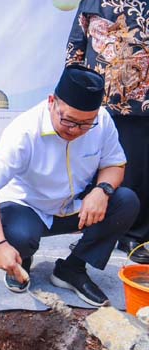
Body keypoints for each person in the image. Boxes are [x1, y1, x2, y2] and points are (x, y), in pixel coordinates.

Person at [0, 65, 139, 306]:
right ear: (52, 101)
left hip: (73, 207)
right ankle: (21, 258)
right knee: (19, 236)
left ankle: (72, 268)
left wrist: (101, 190)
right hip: (28, 207)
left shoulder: (101, 121)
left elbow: (115, 165)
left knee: (125, 202)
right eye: (69, 121)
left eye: (86, 124)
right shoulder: (24, 131)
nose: (76, 131)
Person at [66, 0, 149, 264]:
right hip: (99, 100)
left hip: (142, 102)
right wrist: (74, 88)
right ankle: (93, 232)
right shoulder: (93, 1)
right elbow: (76, 44)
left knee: (139, 169)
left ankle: (136, 236)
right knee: (93, 168)